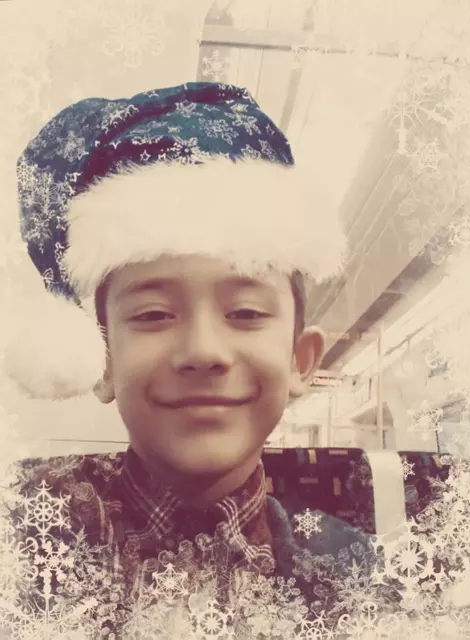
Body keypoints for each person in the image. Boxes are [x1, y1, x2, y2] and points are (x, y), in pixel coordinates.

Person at [3, 82, 378, 638]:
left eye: (246, 312)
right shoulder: (22, 550)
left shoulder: (360, 577)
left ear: (301, 360)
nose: (203, 351)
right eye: (153, 314)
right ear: (101, 360)